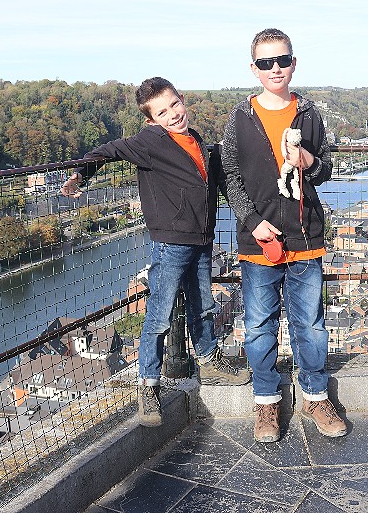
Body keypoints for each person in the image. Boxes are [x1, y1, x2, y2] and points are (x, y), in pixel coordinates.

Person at [62, 76, 250, 427]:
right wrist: (81, 176)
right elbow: (109, 150)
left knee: (203, 305)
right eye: (162, 112)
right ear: (151, 120)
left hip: (201, 238)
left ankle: (209, 362)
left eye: (174, 104)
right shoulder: (150, 142)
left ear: (182, 99)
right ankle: (148, 385)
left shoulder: (196, 140)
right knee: (160, 314)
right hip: (172, 241)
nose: (173, 114)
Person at [222, 28, 347, 442]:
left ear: (294, 63)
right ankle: (266, 403)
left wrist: (309, 160)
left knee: (310, 324)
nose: (275, 69)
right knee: (259, 325)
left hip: (305, 234)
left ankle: (315, 395)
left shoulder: (310, 114)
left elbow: (325, 171)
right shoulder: (240, 118)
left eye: (282, 60)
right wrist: (252, 220)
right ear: (254, 69)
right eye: (265, 62)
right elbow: (231, 177)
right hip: (260, 240)